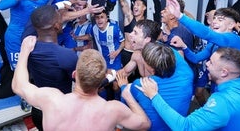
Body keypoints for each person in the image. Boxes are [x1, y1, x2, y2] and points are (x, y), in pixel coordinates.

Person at [12, 36, 151, 131]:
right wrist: (127, 95)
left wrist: (24, 51)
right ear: (101, 82)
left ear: (74, 75)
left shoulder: (51, 99)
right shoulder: (113, 109)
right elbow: (145, 124)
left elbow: (18, 85)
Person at [137, 47, 240, 131]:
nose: (207, 64)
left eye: (211, 63)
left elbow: (185, 127)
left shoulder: (221, 102)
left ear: (224, 73)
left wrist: (154, 95)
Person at [0, 0, 73, 70]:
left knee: (35, 70)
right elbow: (1, 5)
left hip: (33, 38)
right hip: (15, 39)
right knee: (18, 70)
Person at [117, 42, 194, 131]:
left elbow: (125, 100)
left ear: (152, 70)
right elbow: (168, 50)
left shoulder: (140, 85)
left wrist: (123, 86)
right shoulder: (187, 73)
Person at [27, 5, 78, 130]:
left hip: (38, 111)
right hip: (59, 112)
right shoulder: (66, 55)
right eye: (60, 18)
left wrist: (58, 6)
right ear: (56, 26)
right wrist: (111, 75)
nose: (62, 19)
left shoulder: (27, 46)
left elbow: (34, 19)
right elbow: (83, 83)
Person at [119, 0, 147, 82]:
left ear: (144, 8)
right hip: (127, 53)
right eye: (134, 4)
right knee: (123, 80)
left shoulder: (147, 23)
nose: (135, 6)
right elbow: (122, 0)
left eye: (138, 4)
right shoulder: (129, 17)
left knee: (140, 81)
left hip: (141, 54)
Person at [91, 9, 125, 100]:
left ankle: (118, 104)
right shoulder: (93, 29)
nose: (99, 20)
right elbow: (93, 42)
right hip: (103, 63)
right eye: (97, 18)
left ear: (107, 18)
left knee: (116, 86)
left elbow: (123, 42)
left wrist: (117, 52)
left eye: (102, 17)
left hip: (115, 62)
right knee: (100, 87)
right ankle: (104, 105)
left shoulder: (114, 28)